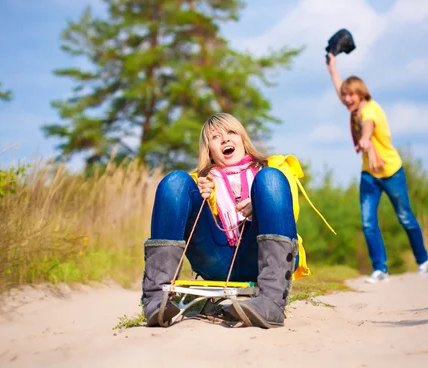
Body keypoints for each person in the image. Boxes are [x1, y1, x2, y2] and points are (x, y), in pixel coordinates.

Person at [141, 112, 336, 328]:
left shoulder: (273, 169)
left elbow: (288, 216)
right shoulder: (203, 181)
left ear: (243, 139)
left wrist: (259, 204)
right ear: (210, 151)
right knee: (175, 181)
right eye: (215, 137)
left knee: (270, 179)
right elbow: (191, 209)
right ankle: (156, 298)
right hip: (217, 257)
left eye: (231, 132)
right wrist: (202, 196)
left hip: (261, 256)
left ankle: (271, 304)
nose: (225, 139)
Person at [325, 52, 428, 283]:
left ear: (361, 93)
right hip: (369, 175)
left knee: (405, 217)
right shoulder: (355, 108)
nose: (346, 98)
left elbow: (368, 126)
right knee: (368, 222)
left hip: (391, 171)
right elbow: (340, 90)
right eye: (344, 95)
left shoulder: (369, 110)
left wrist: (366, 139)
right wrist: (333, 69)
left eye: (350, 94)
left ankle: (424, 259)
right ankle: (380, 269)